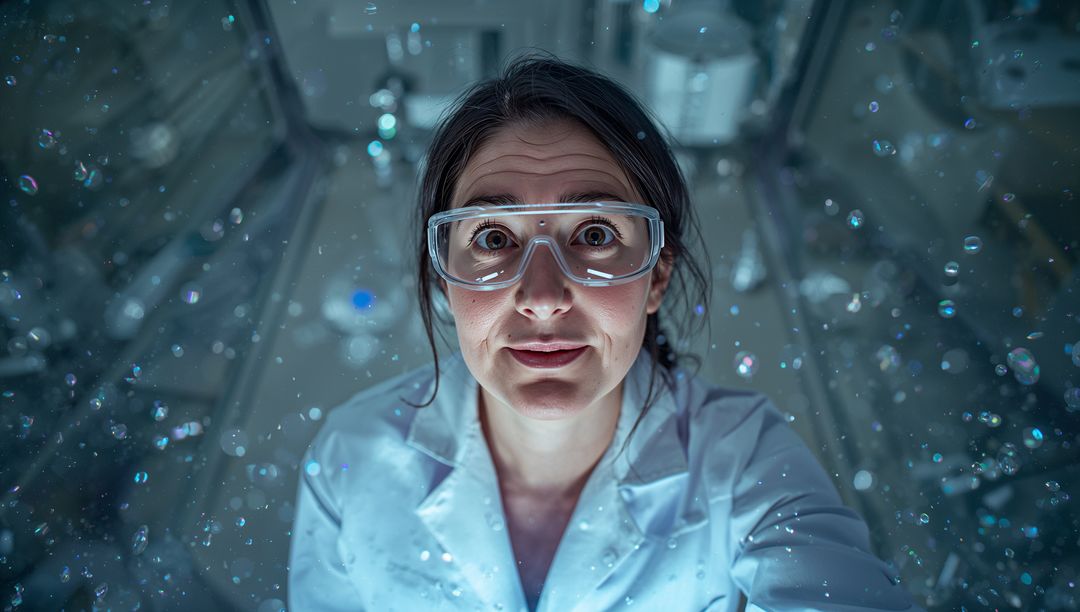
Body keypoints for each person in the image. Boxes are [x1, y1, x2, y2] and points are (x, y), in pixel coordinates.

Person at [288, 52, 923, 612]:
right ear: (446, 278)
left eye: (594, 235)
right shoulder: (352, 456)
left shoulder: (744, 463)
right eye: (492, 238)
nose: (541, 298)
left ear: (654, 279)